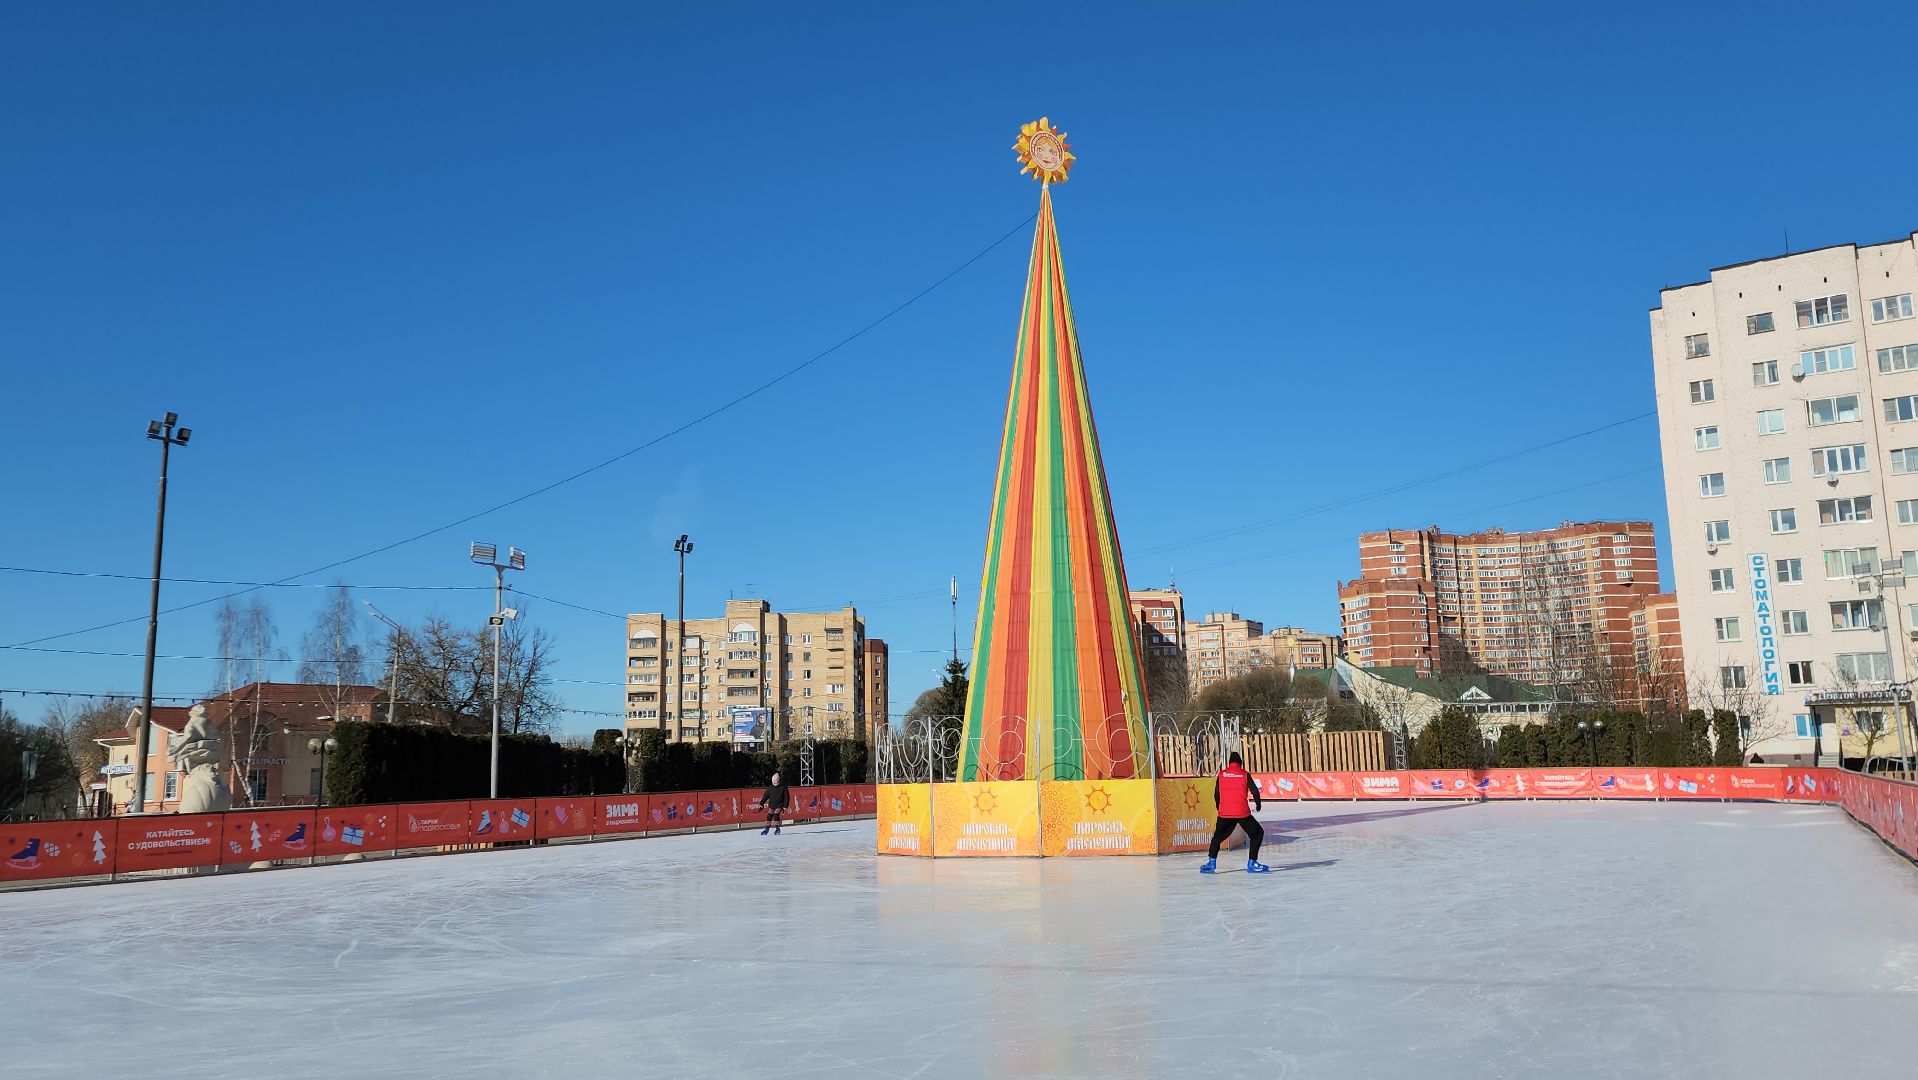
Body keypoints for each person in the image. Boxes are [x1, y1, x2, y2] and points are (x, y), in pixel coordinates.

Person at [1200, 752, 1269, 874]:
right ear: (1240, 763)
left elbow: (1216, 794)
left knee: (1217, 837)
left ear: (1230, 763)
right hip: (1242, 813)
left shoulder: (1222, 774)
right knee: (1257, 833)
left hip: (1225, 813)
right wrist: (1258, 805)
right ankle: (1252, 863)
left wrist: (1220, 808)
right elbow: (1255, 791)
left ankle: (1211, 863)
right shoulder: (1244, 774)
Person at [760, 772, 791, 836]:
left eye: (776, 781)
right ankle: (766, 829)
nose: (775, 783)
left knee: (776, 815)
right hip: (772, 805)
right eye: (774, 782)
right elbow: (765, 796)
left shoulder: (783, 787)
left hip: (780, 805)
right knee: (769, 816)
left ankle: (777, 829)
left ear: (779, 780)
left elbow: (786, 797)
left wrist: (785, 805)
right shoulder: (770, 788)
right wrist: (761, 803)